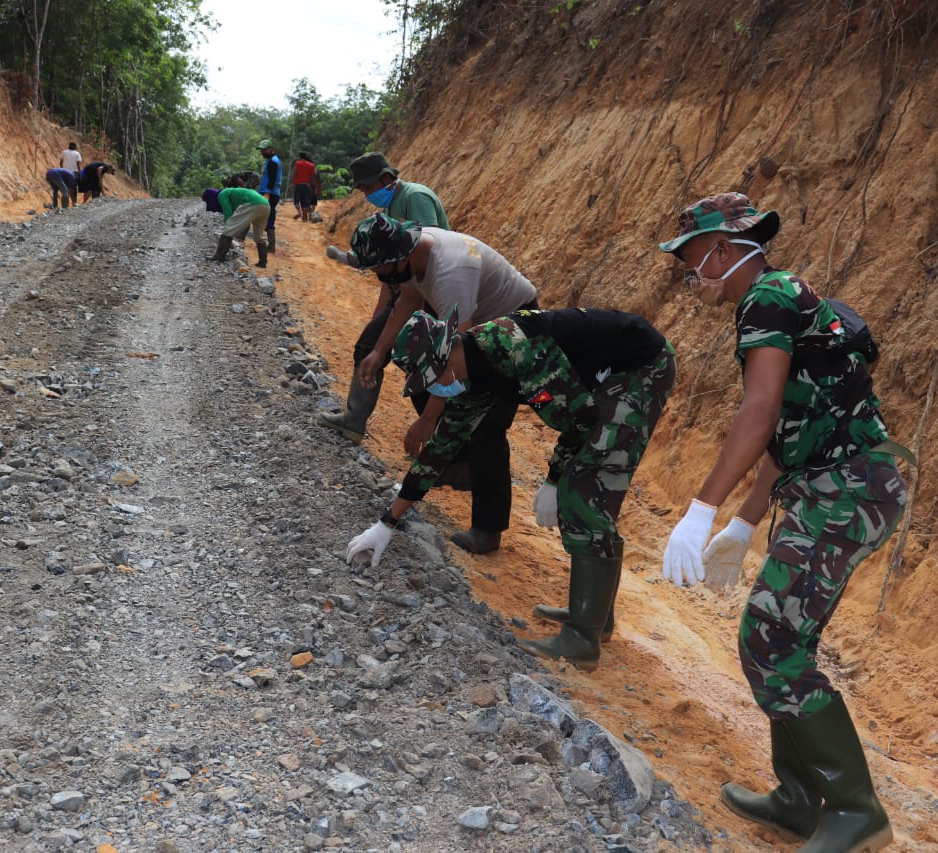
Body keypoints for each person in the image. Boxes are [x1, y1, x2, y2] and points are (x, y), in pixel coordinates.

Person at [657, 192, 908, 853]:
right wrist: (742, 525)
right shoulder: (780, 295)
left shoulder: (765, 298)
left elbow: (760, 411)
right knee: (777, 636)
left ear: (721, 248)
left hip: (847, 490)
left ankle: (856, 811)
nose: (689, 275)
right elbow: (792, 428)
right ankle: (799, 798)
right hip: (836, 485)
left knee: (770, 640)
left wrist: (700, 509)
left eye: (690, 259)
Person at [345, 305, 674, 668]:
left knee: (582, 492)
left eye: (434, 377)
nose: (438, 388)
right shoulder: (473, 372)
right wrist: (386, 522)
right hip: (608, 376)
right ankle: (596, 619)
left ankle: (582, 637)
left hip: (639, 368)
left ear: (448, 352)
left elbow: (580, 420)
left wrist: (553, 479)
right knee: (584, 489)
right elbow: (441, 449)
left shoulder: (515, 350)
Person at [343, 213, 539, 554]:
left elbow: (454, 357)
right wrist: (378, 352)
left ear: (399, 259)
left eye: (381, 272)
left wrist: (429, 419)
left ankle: (488, 530)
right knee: (419, 362)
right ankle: (457, 465)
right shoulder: (413, 253)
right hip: (474, 325)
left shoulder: (452, 273)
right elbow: (408, 300)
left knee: (487, 423)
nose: (380, 279)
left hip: (514, 326)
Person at [318, 152, 449, 443]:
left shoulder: (416, 197)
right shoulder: (390, 209)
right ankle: (354, 420)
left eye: (367, 188)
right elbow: (391, 270)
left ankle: (441, 438)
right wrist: (380, 316)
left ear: (386, 179)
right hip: (409, 290)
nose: (366, 195)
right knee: (370, 345)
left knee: (419, 361)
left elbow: (433, 249)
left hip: (430, 290)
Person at [202, 186, 270, 268]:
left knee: (228, 230)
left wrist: (228, 226)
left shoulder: (221, 194)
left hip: (253, 204)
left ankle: (219, 256)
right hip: (266, 205)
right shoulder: (230, 192)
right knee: (259, 236)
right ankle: (263, 262)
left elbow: (227, 211)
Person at [256, 140, 282, 253]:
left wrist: (267, 193)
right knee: (266, 216)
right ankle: (268, 245)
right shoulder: (270, 160)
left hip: (270, 193)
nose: (262, 152)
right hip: (268, 192)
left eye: (264, 149)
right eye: (261, 150)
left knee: (268, 216)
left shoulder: (273, 162)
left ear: (271, 149)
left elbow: (272, 179)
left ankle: (271, 246)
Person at [290, 151, 322, 222]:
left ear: (300, 157)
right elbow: (313, 177)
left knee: (296, 201)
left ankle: (299, 212)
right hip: (307, 186)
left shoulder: (297, 163)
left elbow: (295, 173)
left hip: (298, 185)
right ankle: (305, 218)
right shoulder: (311, 165)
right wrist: (315, 187)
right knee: (305, 202)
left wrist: (292, 183)